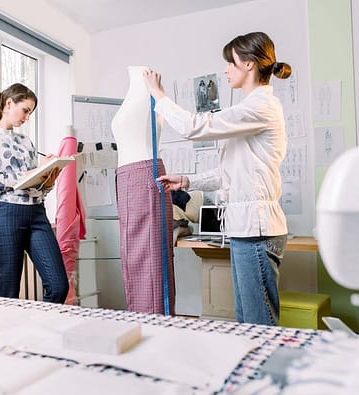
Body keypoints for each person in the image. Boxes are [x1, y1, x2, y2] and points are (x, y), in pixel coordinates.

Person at [143, 32, 291, 325]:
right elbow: (227, 174)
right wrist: (186, 181)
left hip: (257, 230)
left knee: (258, 322)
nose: (226, 69)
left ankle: (267, 370)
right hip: (245, 228)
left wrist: (158, 95)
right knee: (247, 318)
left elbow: (194, 127)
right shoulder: (249, 110)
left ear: (248, 64)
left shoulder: (260, 107)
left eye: (230, 62)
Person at [0, 83, 68, 302]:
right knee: (8, 293)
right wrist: (29, 173)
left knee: (59, 285)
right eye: (25, 110)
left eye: (31, 113)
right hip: (6, 214)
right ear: (8, 103)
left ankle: (45, 333)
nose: (27, 117)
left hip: (37, 214)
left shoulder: (25, 141)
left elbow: (35, 184)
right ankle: (8, 337)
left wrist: (48, 177)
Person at [111, 65, 175, 315]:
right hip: (129, 179)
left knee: (150, 263)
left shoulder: (148, 88)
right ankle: (141, 324)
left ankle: (155, 328)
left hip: (142, 177)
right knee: (134, 262)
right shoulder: (136, 89)